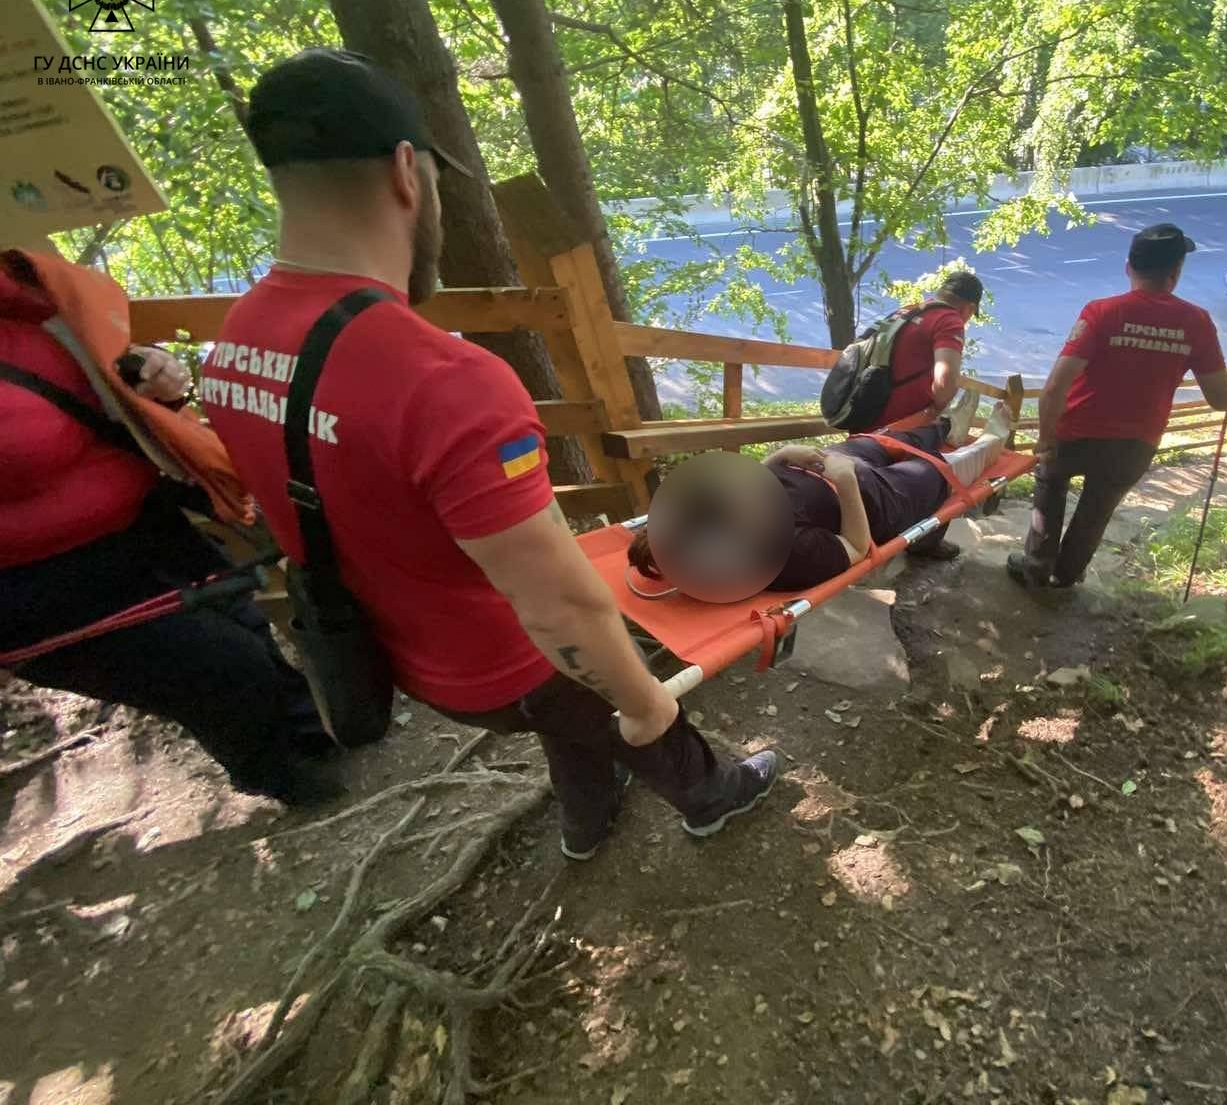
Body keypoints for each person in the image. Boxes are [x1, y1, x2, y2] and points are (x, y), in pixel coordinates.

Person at [201, 47, 779, 861]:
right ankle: (711, 794)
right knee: (617, 705)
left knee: (568, 716)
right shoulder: (444, 377)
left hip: (401, 657)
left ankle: (586, 822)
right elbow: (560, 612)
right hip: (504, 657)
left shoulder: (233, 344)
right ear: (409, 172)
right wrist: (648, 705)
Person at [0, 263, 339, 805]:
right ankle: (272, 769)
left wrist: (156, 386)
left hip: (145, 519)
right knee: (217, 664)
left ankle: (305, 730)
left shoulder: (35, 301)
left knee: (244, 621)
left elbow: (109, 400)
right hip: (39, 586)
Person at [1008, 223, 1227, 592]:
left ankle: (1037, 567)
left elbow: (1057, 384)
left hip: (1075, 431)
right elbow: (1221, 399)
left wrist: (1045, 438)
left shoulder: (1102, 312)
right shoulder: (1196, 322)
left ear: (1128, 267)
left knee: (1050, 487)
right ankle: (1067, 575)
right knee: (1097, 508)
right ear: (1176, 273)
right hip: (1134, 444)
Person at [629, 400, 1015, 595]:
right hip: (872, 505)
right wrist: (846, 484)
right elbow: (855, 547)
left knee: (885, 442)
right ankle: (991, 443)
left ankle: (947, 425)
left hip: (823, 470)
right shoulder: (778, 559)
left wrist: (777, 459)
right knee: (936, 472)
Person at [857, 271, 983, 433]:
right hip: (896, 428)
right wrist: (934, 412)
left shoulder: (906, 311)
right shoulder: (949, 320)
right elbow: (945, 381)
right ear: (970, 308)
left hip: (863, 413)